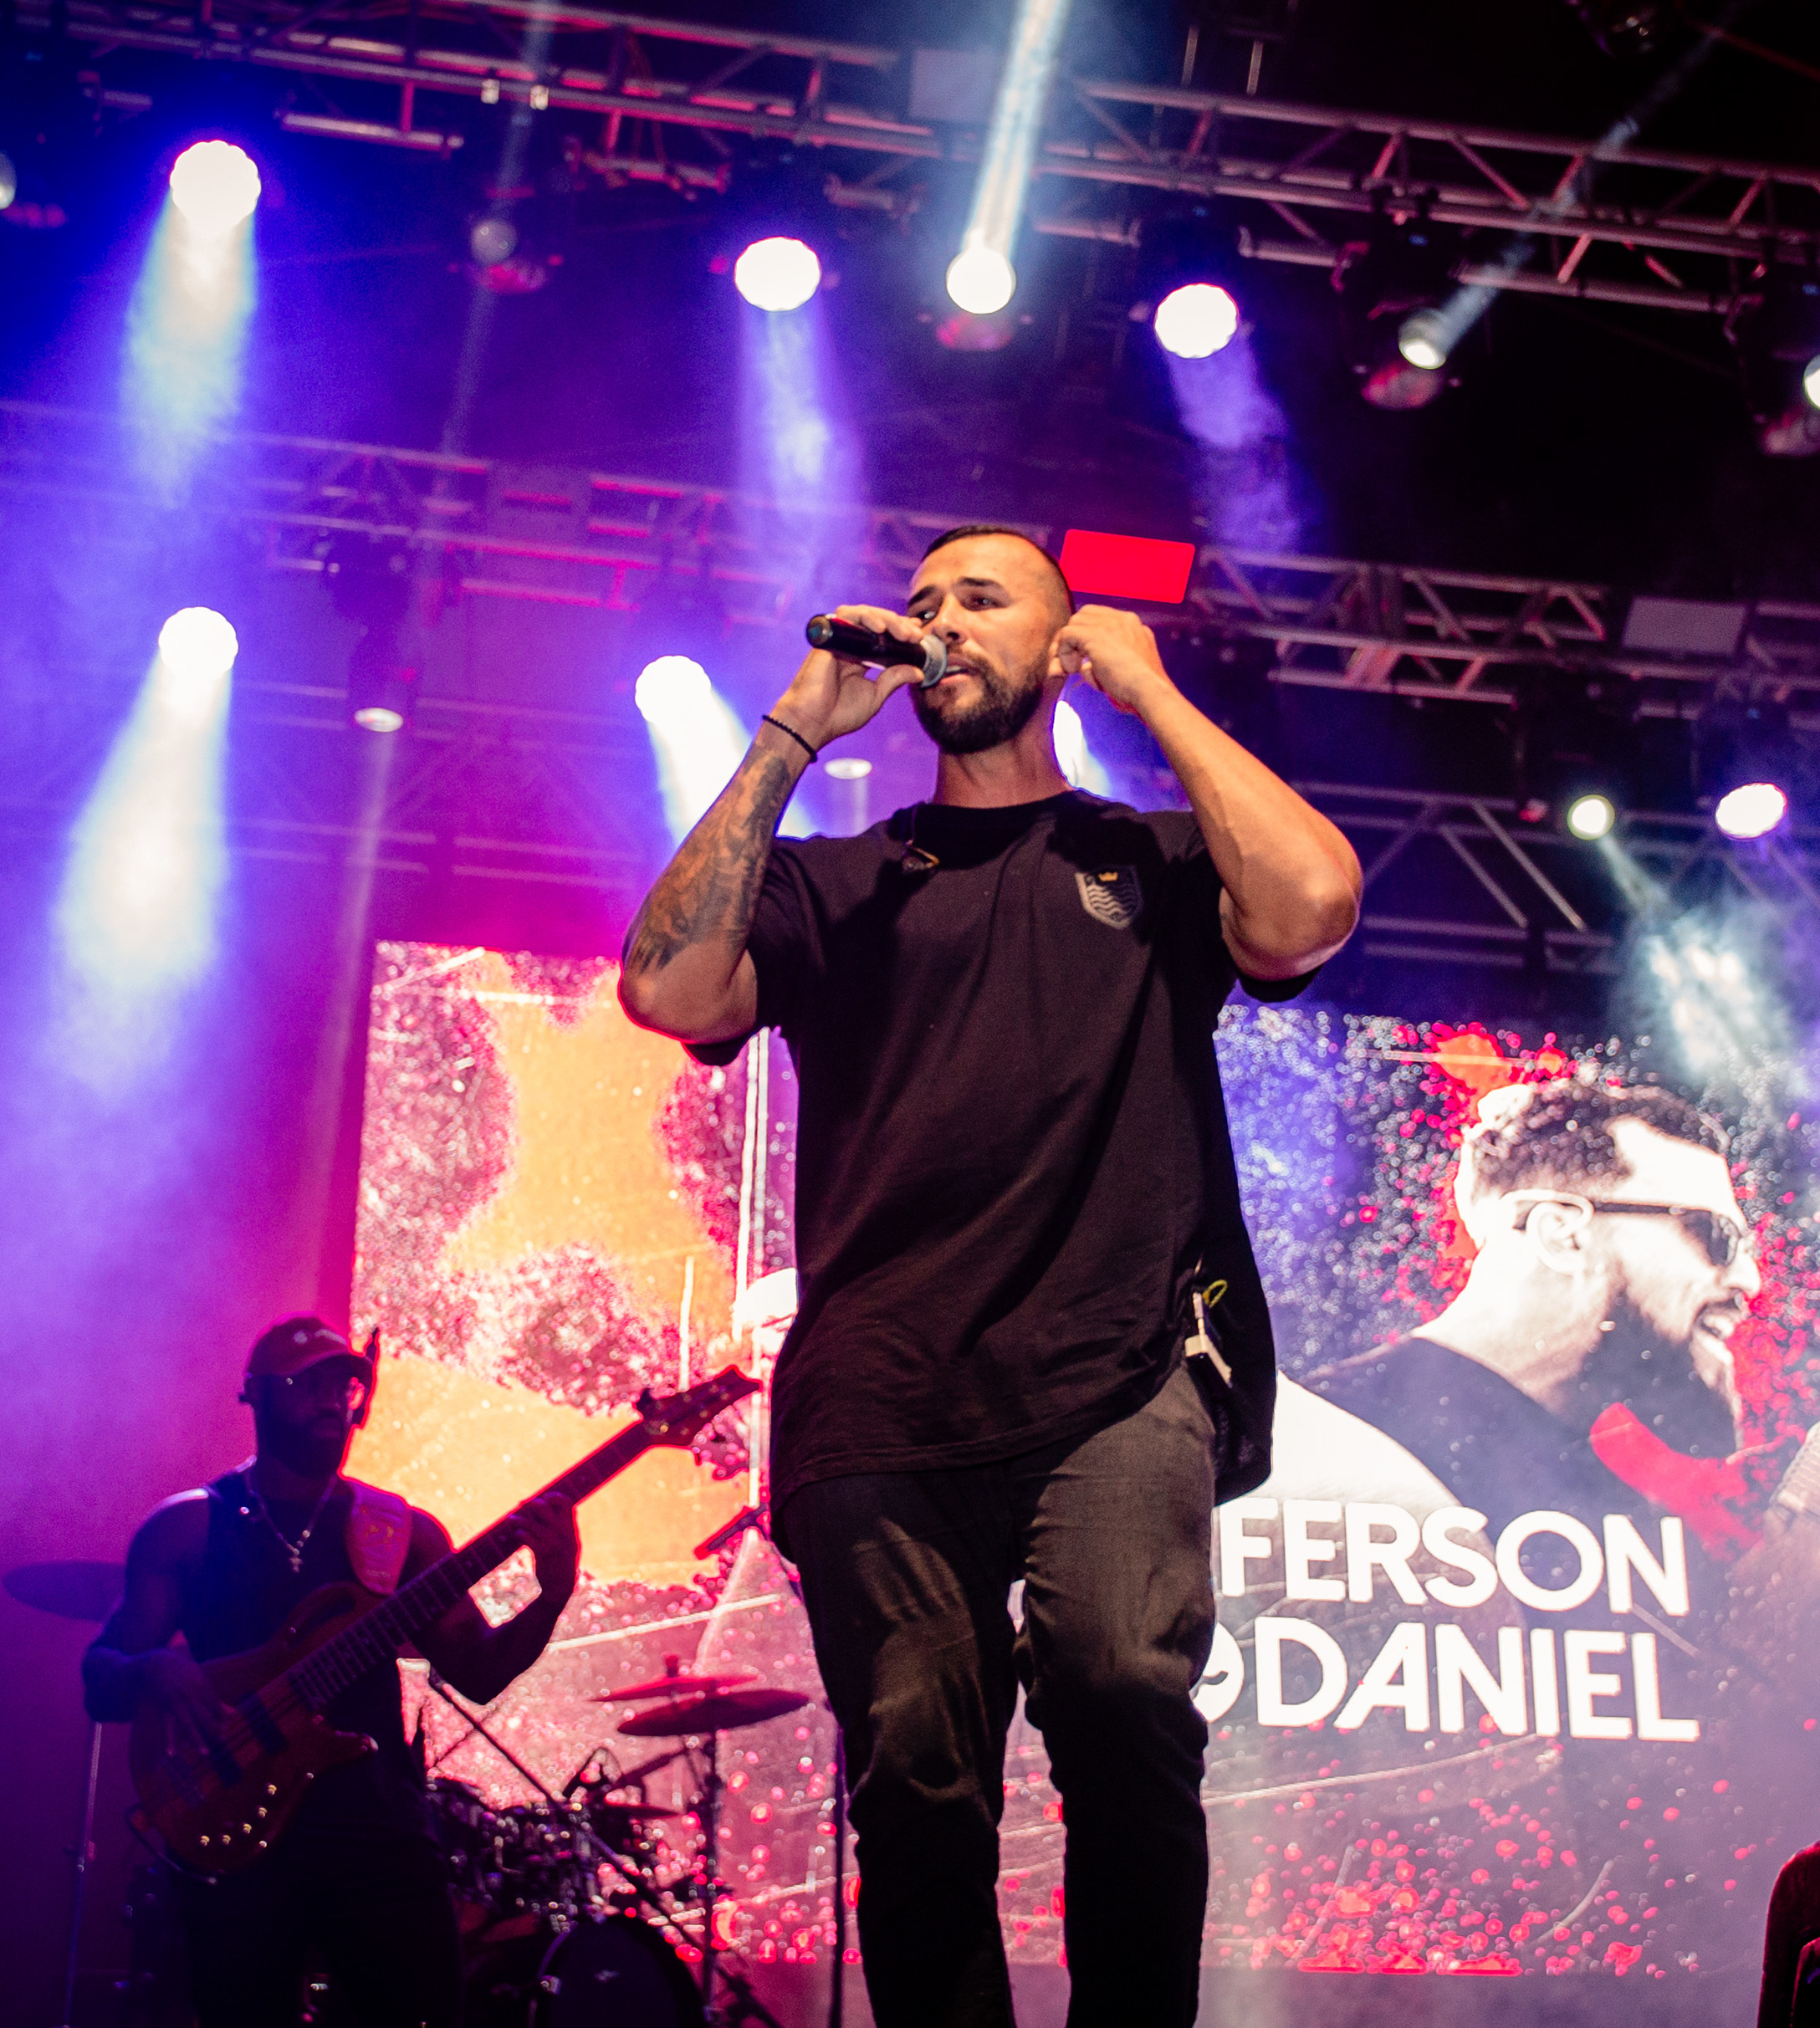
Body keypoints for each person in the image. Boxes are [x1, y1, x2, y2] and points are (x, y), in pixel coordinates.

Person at [614, 524, 1362, 2027]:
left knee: (1126, 1697)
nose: (940, 620)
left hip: (1117, 1372)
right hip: (880, 1398)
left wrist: (1151, 692)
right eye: (924, 600)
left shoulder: (1148, 858)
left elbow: (1310, 907)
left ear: (1062, 641)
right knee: (916, 1780)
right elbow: (665, 985)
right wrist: (790, 735)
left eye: (983, 597)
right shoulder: (839, 882)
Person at [84, 1316, 581, 2028]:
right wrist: (156, 1669)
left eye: (344, 1384)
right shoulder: (189, 1527)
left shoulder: (401, 1531)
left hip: (377, 1833)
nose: (329, 1399)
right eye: (306, 1383)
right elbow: (100, 1677)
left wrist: (552, 1595)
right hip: (238, 1834)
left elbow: (479, 1670)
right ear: (256, 1395)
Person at [1311, 1079, 1820, 1685]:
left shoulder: (1618, 1502)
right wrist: (1758, 1649)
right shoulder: (1325, 1438)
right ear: (1561, 1234)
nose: (1749, 1279)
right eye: (1715, 1237)